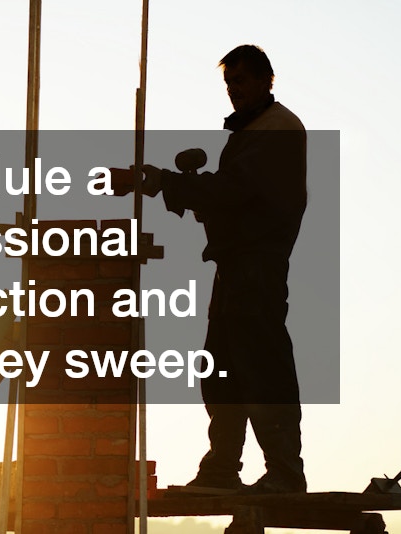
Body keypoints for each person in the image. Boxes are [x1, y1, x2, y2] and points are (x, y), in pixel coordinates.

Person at [142, 44, 308, 494]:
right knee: (223, 369)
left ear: (264, 80)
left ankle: (284, 474)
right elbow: (228, 198)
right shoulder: (251, 130)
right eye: (228, 83)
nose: (233, 92)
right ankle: (221, 469)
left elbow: (235, 191)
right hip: (236, 266)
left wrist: (163, 182)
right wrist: (191, 192)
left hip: (258, 266)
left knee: (262, 366)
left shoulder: (278, 129)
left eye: (241, 82)